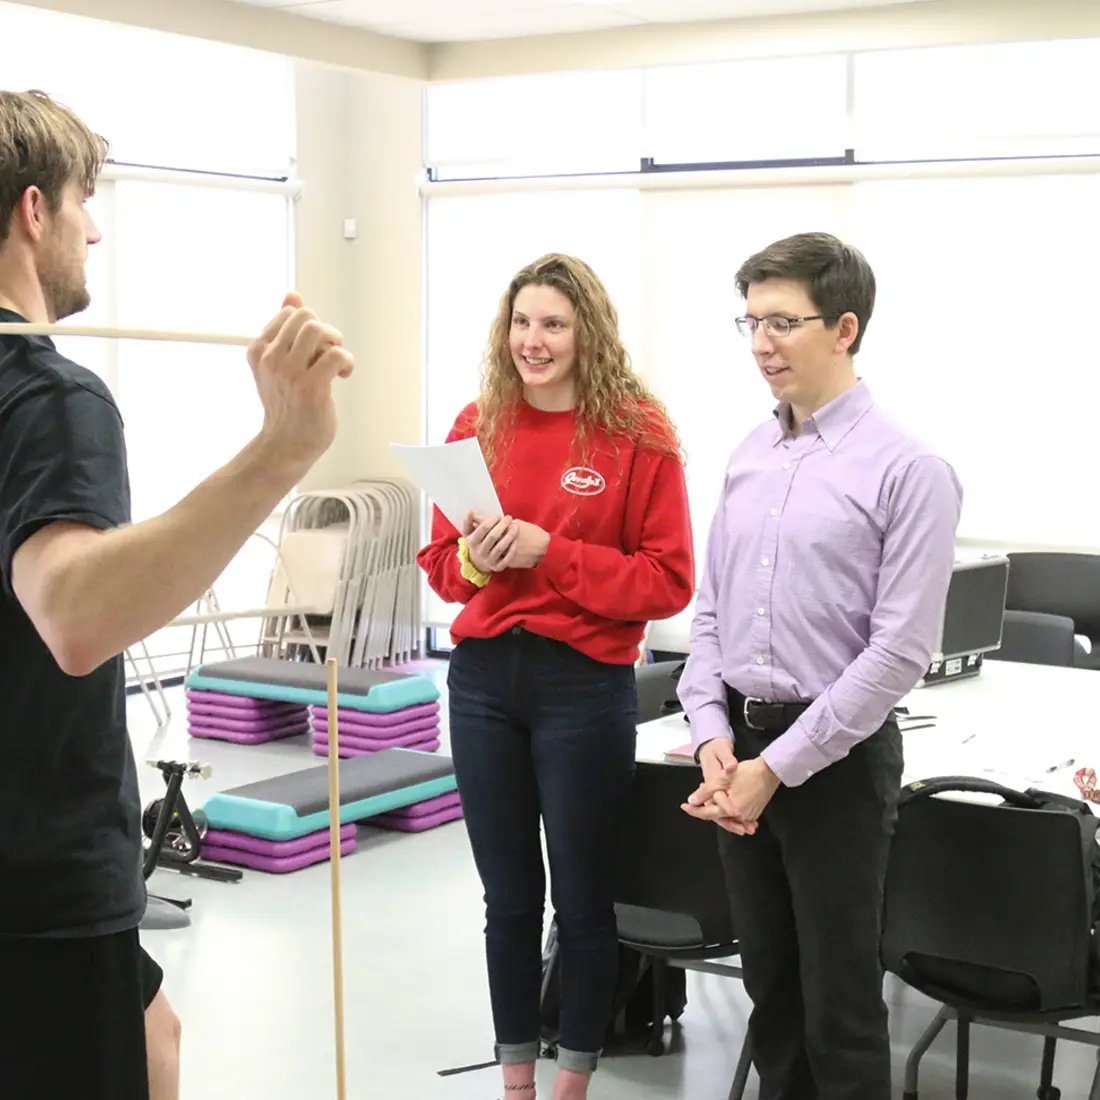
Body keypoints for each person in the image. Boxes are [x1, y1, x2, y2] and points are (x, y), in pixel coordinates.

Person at [0, 89, 352, 1099]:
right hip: (36, 887)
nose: (93, 228)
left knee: (156, 1030)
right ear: (34, 211)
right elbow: (72, 614)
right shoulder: (48, 392)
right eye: (83, 201)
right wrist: (283, 447)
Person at [677, 231, 962, 1100]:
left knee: (840, 1008)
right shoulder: (749, 456)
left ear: (844, 328)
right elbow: (712, 616)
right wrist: (711, 736)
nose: (761, 344)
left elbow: (899, 652)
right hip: (743, 756)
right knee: (773, 998)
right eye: (751, 321)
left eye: (783, 322)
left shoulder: (910, 470)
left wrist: (778, 767)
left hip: (834, 765)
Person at [417, 253, 694, 1099]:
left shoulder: (639, 432)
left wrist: (553, 554)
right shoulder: (478, 422)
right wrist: (474, 556)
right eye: (522, 322)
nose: (532, 342)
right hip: (484, 683)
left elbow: (667, 581)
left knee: (581, 900)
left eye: (553, 324)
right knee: (508, 898)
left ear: (589, 333)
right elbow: (440, 566)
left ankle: (573, 1078)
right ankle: (515, 1081)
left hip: (584, 686)